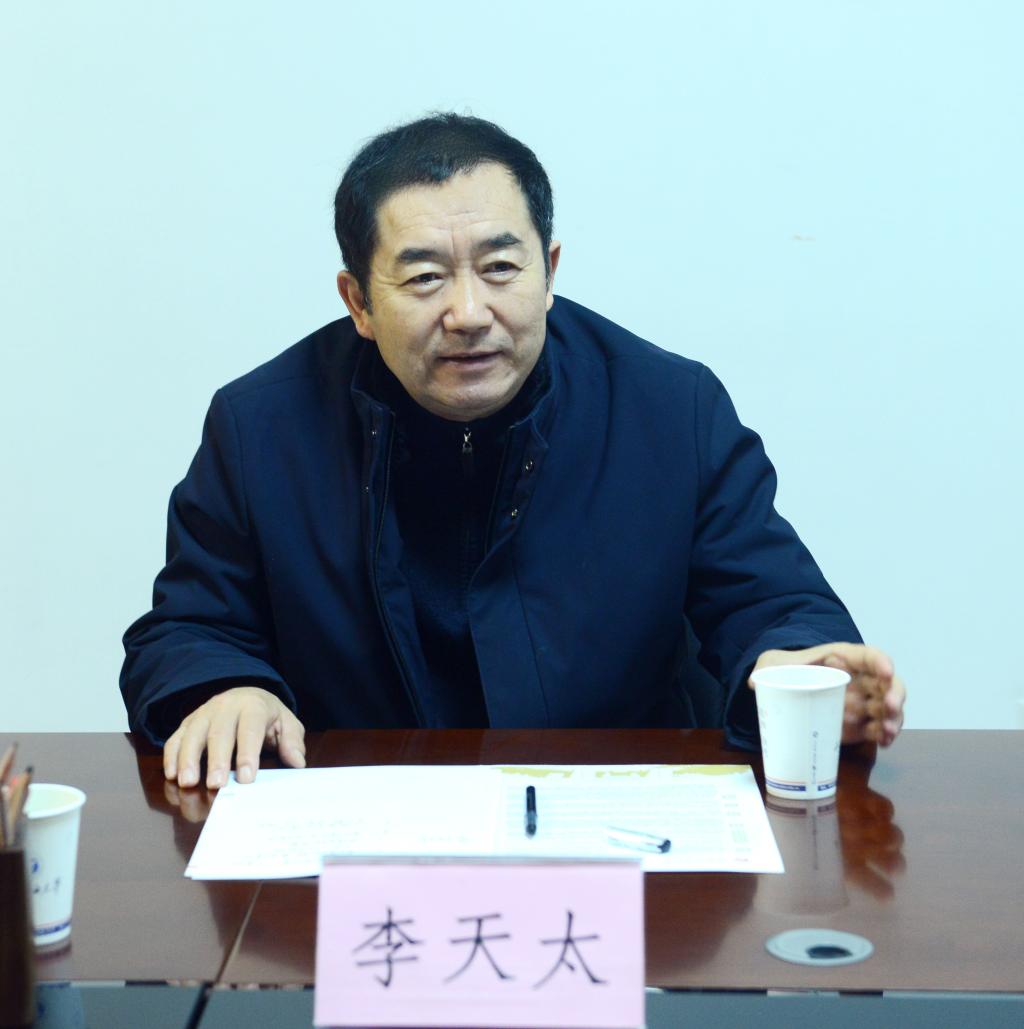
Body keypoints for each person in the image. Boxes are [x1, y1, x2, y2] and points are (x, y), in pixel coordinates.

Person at [120, 114, 906, 790]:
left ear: (549, 271)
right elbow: (189, 627)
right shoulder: (261, 428)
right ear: (358, 301)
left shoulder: (671, 409)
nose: (469, 312)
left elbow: (774, 603)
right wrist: (225, 687)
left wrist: (797, 667)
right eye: (424, 277)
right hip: (364, 827)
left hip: (616, 826)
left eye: (500, 268)